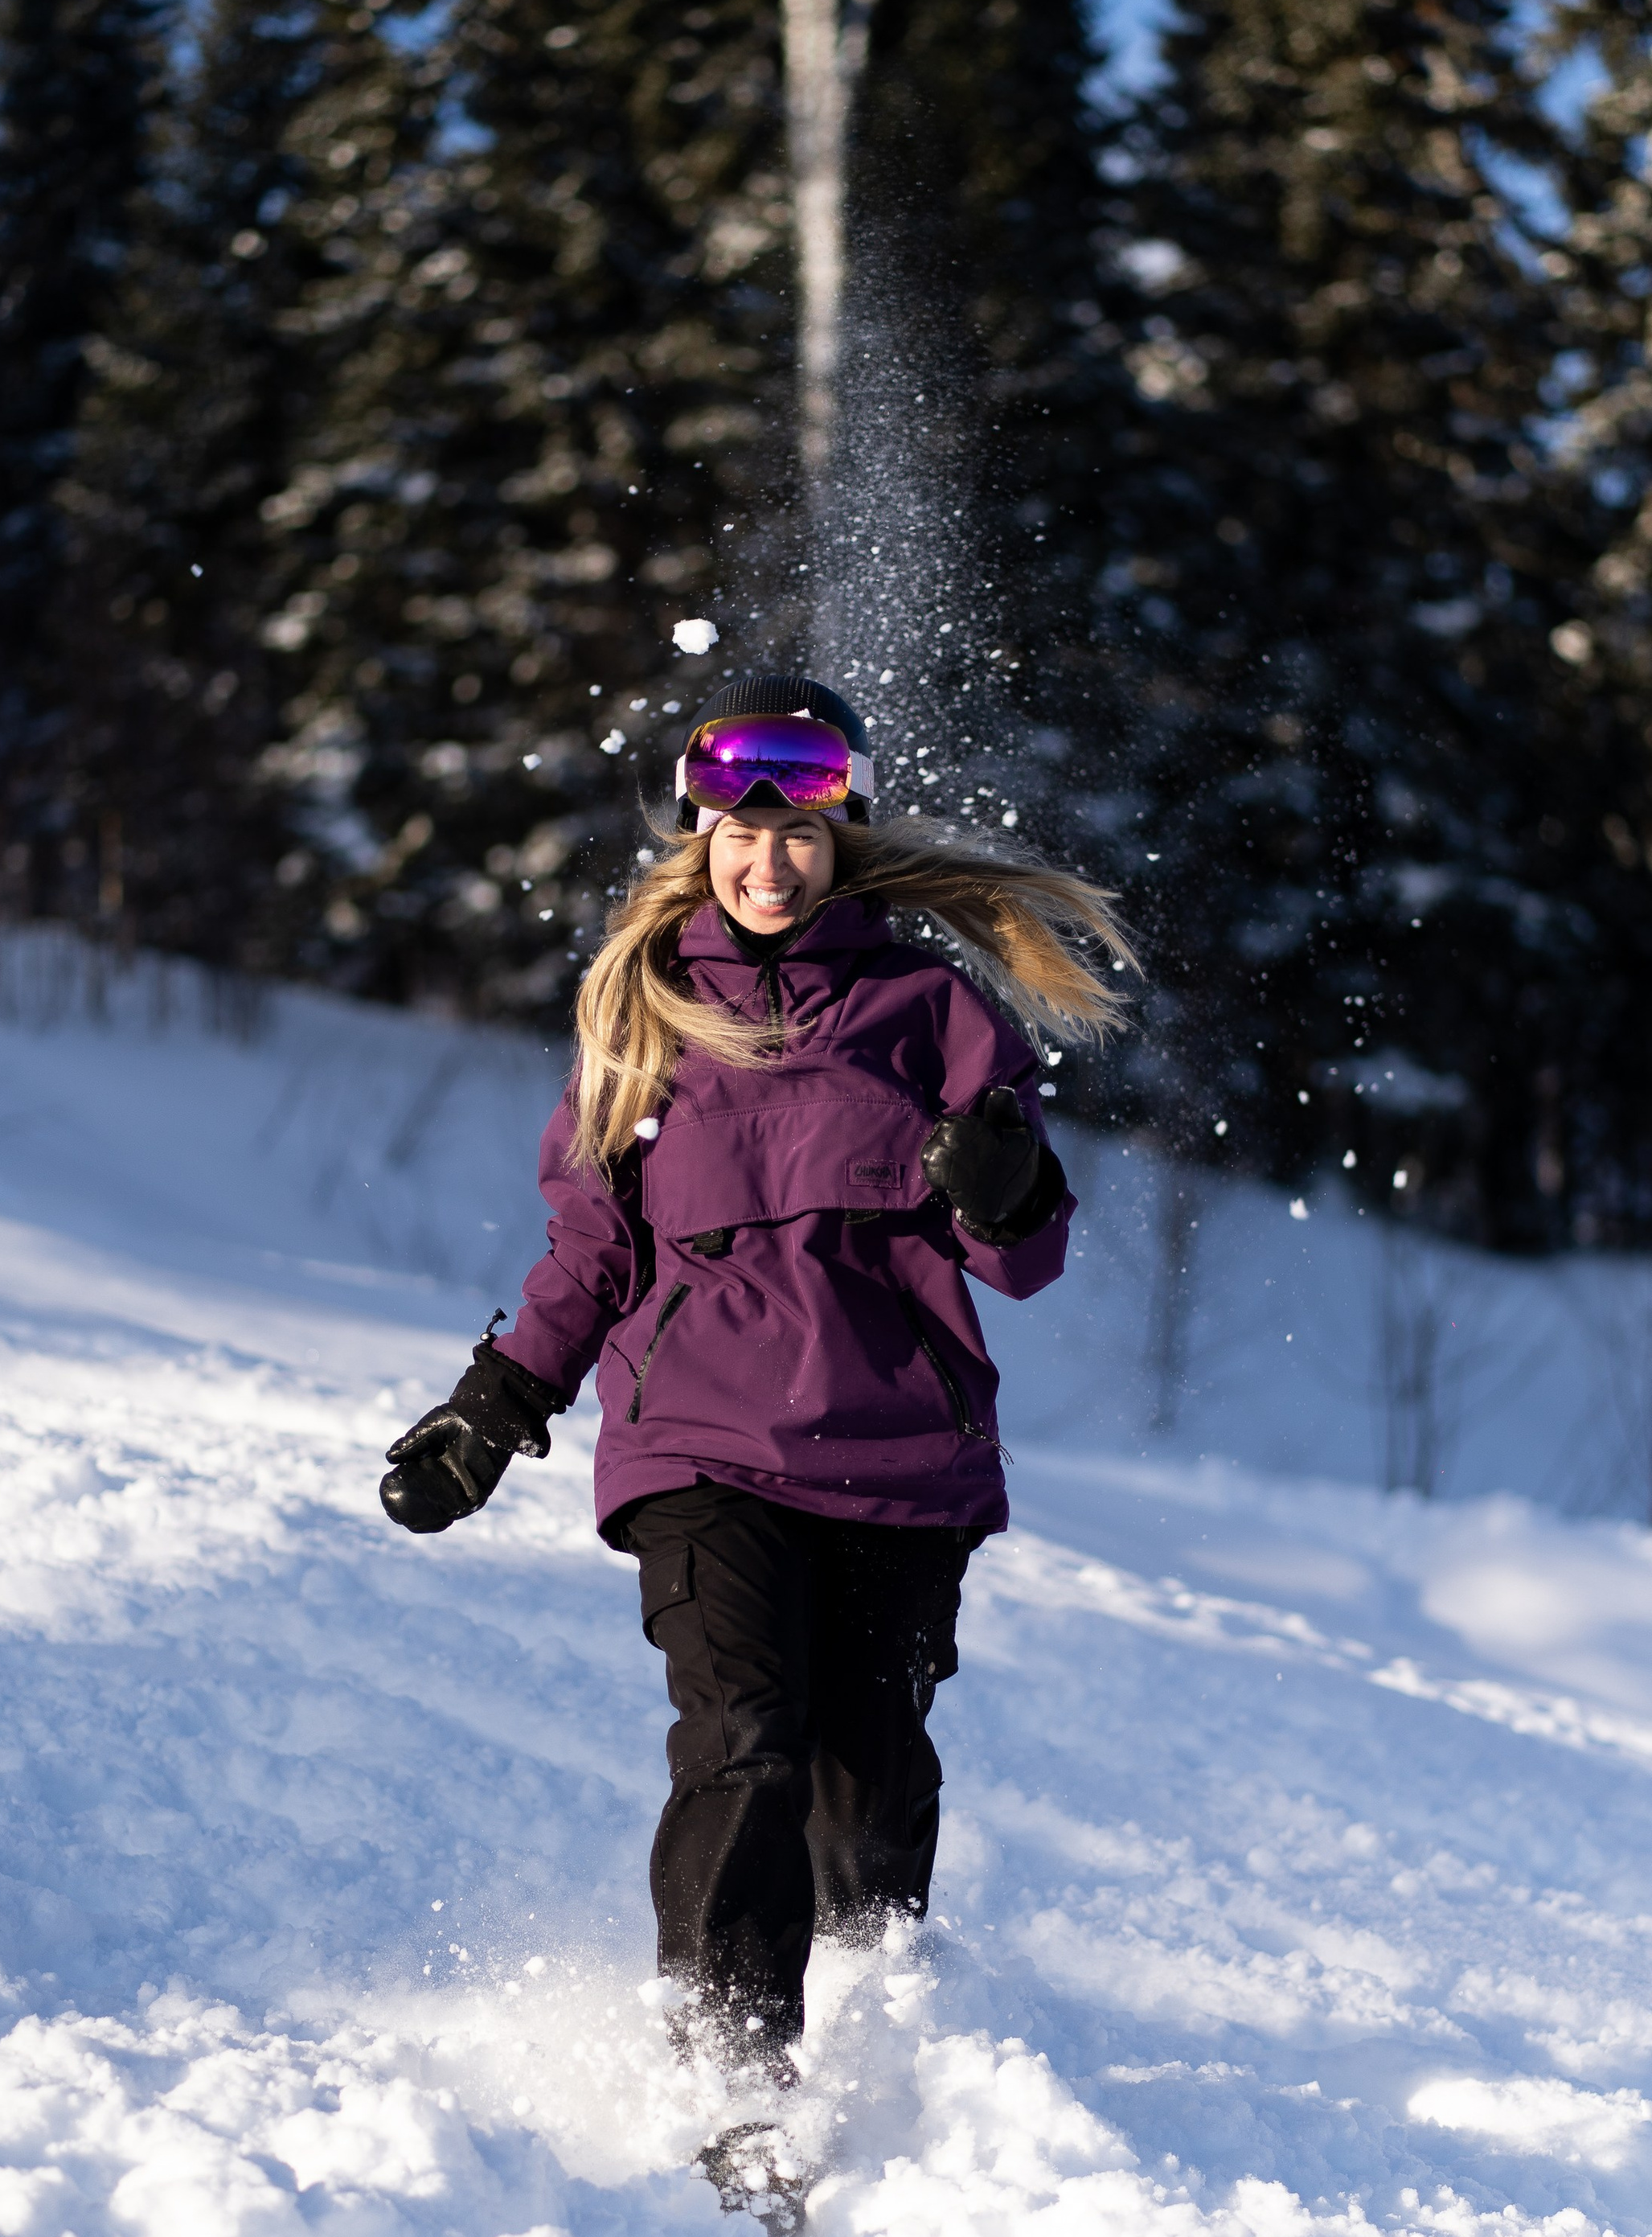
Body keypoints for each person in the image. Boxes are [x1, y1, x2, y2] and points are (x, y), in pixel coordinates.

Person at [379, 671, 1134, 2123]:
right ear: (700, 836)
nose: (768, 862)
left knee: (867, 1785)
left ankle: (876, 2041)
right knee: (744, 1741)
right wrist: (494, 1406)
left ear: (843, 838)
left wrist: (1007, 1187)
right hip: (700, 1446)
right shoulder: (643, 1015)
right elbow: (594, 1248)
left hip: (899, 1457)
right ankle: (734, 2076)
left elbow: (1023, 1261)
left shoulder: (932, 1010)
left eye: (798, 834)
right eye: (739, 832)